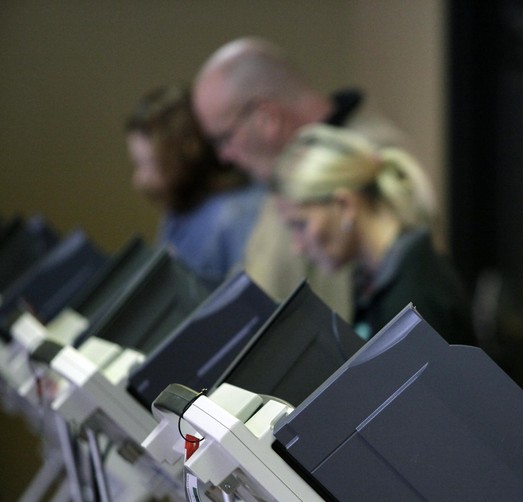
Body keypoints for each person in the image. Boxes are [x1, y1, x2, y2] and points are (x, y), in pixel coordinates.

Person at [192, 37, 410, 316]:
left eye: (223, 138)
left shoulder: (368, 166)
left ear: (267, 118)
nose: (224, 156)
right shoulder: (286, 176)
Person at [274, 124, 476, 345]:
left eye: (300, 224)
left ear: (345, 205)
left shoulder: (413, 296)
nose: (297, 246)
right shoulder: (380, 278)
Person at [125, 84, 265, 287]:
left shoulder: (236, 216)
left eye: (149, 165)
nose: (139, 179)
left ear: (185, 156)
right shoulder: (180, 210)